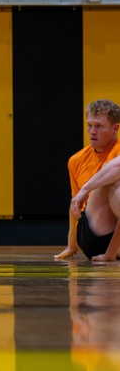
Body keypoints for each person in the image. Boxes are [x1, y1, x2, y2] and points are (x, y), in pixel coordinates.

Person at [55, 99, 120, 260]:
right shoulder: (76, 160)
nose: (92, 131)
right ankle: (111, 252)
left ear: (115, 128)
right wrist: (71, 245)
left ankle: (113, 252)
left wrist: (86, 188)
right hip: (93, 233)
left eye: (99, 126)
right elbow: (75, 202)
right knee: (110, 182)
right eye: (89, 125)